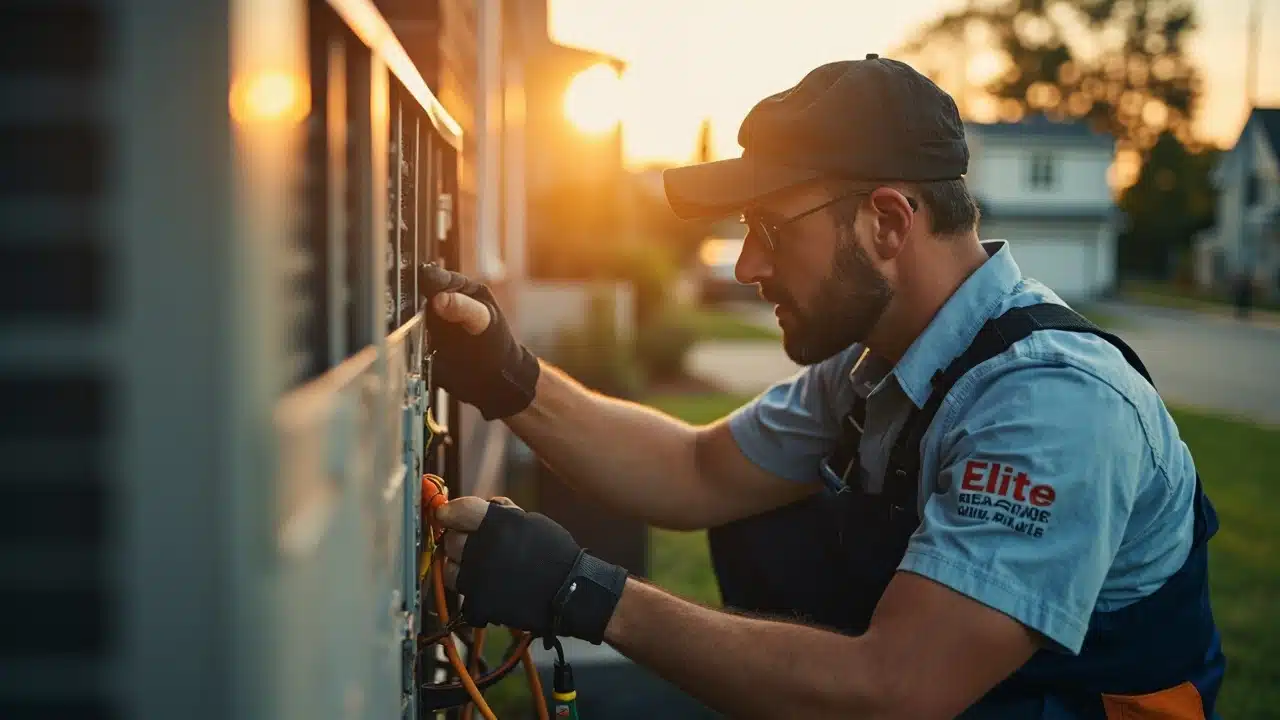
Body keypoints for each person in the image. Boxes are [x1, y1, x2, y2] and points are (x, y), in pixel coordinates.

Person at [420, 56, 1226, 719]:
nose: (746, 267)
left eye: (770, 229)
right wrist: (508, 376)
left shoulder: (1053, 405)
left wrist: (585, 595)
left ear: (886, 223)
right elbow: (694, 470)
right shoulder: (876, 365)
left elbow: (897, 689)